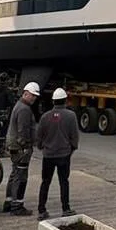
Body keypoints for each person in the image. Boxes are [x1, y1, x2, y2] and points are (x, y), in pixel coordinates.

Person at [36, 87, 79, 220]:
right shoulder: (71, 116)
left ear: (53, 101)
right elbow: (74, 136)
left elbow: (39, 136)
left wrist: (42, 147)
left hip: (48, 155)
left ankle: (41, 210)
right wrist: (72, 149)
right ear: (65, 100)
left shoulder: (45, 116)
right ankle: (65, 208)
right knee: (64, 181)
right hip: (64, 155)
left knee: (45, 182)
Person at [4, 82, 41, 215]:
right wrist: (26, 146)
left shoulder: (19, 105)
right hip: (21, 148)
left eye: (35, 96)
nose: (34, 98)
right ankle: (17, 206)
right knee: (21, 176)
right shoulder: (24, 109)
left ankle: (8, 202)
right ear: (26, 93)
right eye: (32, 95)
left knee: (14, 174)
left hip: (14, 146)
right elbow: (23, 131)